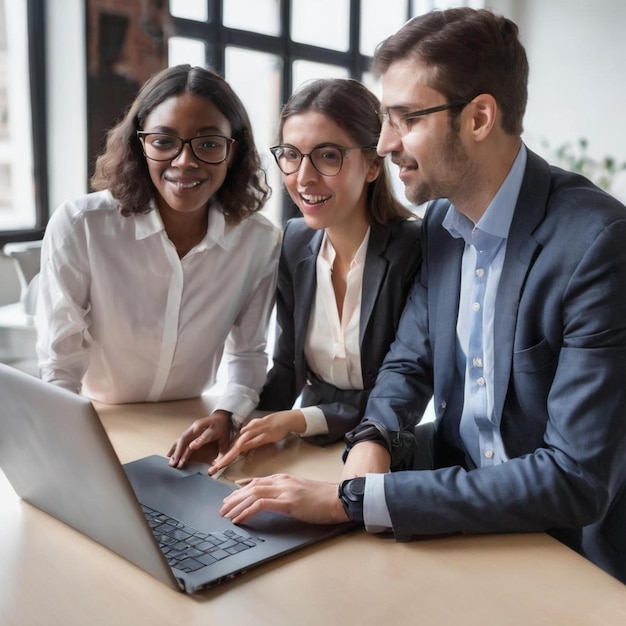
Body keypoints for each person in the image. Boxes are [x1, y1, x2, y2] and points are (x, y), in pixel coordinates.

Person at [219, 8, 626, 583]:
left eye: (404, 119)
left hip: (570, 553)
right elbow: (410, 360)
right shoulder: (441, 222)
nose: (384, 144)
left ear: (479, 117)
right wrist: (373, 439)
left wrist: (353, 501)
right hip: (462, 524)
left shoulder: (597, 244)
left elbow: (574, 480)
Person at [168, 78, 421, 471]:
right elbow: (287, 368)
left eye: (328, 156)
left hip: (384, 454)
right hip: (307, 449)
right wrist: (233, 421)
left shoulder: (415, 249)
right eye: (291, 155)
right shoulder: (294, 241)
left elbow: (399, 392)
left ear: (372, 165)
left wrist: (301, 419)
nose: (303, 178)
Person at [36, 64, 281, 454]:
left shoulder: (258, 242)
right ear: (140, 144)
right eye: (164, 142)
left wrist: (227, 414)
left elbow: (248, 352)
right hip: (102, 422)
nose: (185, 162)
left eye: (209, 143)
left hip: (194, 423)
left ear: (233, 150)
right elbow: (60, 365)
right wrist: (65, 443)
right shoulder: (82, 225)